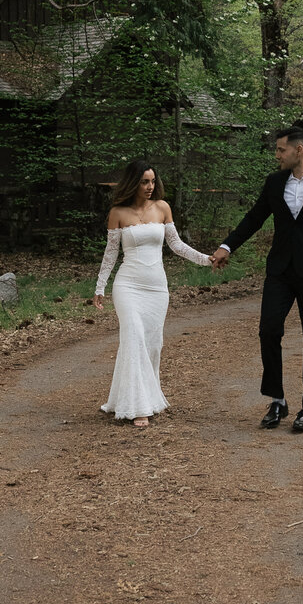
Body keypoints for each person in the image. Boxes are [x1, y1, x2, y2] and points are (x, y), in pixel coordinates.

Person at [210, 122, 303, 433]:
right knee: (268, 330)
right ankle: (277, 400)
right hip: (279, 271)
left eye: (281, 150)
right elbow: (254, 218)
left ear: (298, 150)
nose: (277, 155)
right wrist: (227, 246)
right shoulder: (275, 182)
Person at [93, 159, 216, 428]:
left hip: (156, 288)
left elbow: (177, 245)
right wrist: (100, 287)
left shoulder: (162, 208)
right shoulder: (118, 212)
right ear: (132, 183)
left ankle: (143, 397)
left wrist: (206, 259)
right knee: (133, 336)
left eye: (152, 181)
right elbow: (111, 253)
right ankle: (138, 407)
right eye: (144, 182)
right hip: (128, 286)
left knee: (152, 344)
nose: (150, 186)